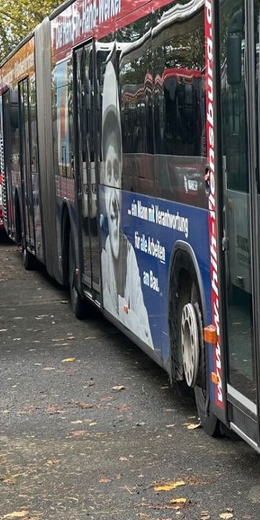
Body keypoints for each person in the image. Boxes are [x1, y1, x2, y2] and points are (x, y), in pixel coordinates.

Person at [100, 54, 152, 348]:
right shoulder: (108, 256)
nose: (115, 202)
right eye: (107, 174)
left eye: (116, 173)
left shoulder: (130, 258)